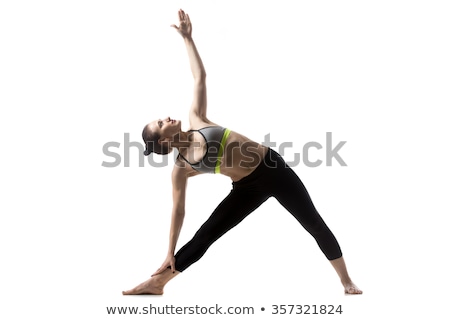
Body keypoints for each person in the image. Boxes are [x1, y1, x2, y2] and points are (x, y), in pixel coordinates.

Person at [123, 9, 362, 295]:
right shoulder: (181, 167)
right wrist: (169, 250)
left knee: (313, 223)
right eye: (161, 124)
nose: (166, 118)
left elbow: (200, 77)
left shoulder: (197, 119)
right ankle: (158, 282)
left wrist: (188, 39)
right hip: (246, 188)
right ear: (162, 142)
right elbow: (178, 210)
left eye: (162, 118)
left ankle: (346, 280)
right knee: (205, 235)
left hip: (273, 168)